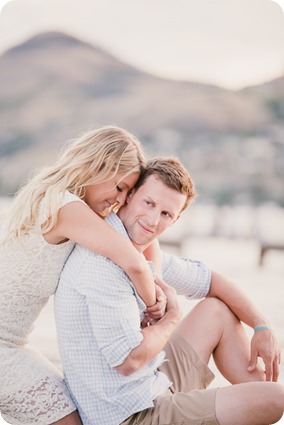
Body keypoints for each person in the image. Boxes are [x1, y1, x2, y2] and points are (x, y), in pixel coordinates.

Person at [55, 156, 283, 425]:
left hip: (153, 384)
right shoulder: (101, 264)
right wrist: (173, 317)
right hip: (131, 415)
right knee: (275, 399)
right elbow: (127, 361)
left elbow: (212, 281)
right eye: (149, 203)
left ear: (175, 221)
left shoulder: (139, 251)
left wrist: (261, 327)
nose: (152, 220)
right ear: (128, 196)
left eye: (165, 214)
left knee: (217, 310)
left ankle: (254, 388)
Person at [0, 125, 164, 425]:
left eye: (128, 193)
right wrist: (156, 307)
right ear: (98, 166)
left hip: (13, 346)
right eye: (119, 187)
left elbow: (143, 243)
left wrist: (158, 274)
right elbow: (135, 263)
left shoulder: (51, 194)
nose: (120, 200)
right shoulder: (66, 207)